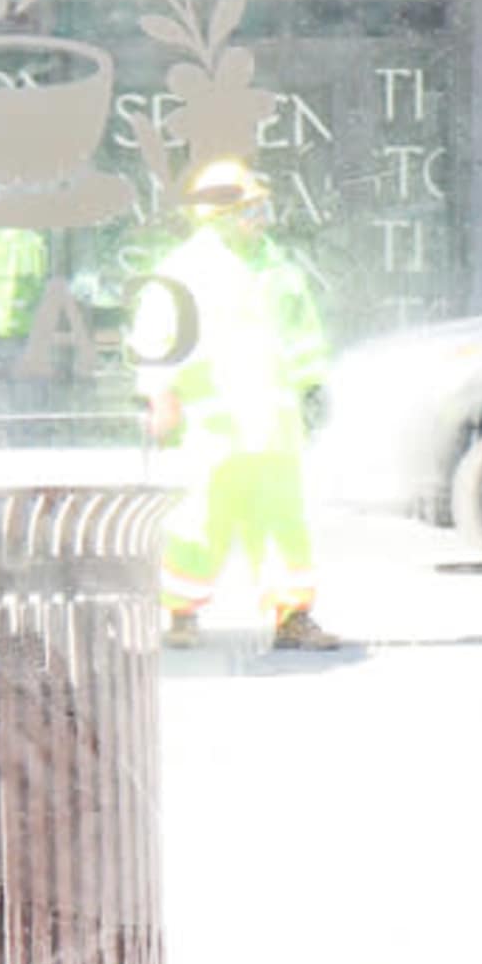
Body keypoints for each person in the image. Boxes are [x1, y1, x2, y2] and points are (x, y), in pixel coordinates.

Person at [130, 156, 337, 648]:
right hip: (213, 427)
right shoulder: (185, 270)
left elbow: (303, 334)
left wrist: (312, 387)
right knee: (201, 524)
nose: (260, 218)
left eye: (262, 208)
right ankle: (181, 616)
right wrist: (159, 394)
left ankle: (292, 619)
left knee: (283, 523)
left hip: (272, 427)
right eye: (250, 209)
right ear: (218, 215)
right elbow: (156, 337)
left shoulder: (278, 266)